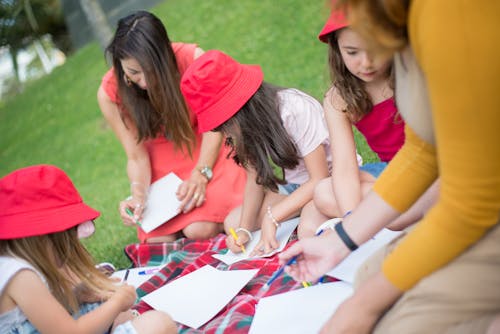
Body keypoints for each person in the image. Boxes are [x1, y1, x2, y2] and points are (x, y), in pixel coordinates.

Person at [280, 1, 500, 333]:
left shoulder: (451, 20)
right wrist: (341, 239)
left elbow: (472, 202)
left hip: (477, 203)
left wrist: (362, 307)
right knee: (368, 274)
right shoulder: (404, 27)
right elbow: (422, 150)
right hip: (463, 197)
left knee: (394, 320)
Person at [97, 11, 246, 243]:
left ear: (164, 54)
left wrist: (201, 173)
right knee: (158, 242)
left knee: (199, 229)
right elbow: (136, 157)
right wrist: (138, 194)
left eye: (151, 71)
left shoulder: (193, 58)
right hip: (161, 165)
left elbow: (216, 125)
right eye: (134, 73)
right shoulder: (109, 93)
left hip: (207, 146)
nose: (144, 82)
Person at [299, 8, 438, 238]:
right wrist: (352, 218)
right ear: (337, 50)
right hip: (392, 170)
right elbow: (344, 169)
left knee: (395, 214)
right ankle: (387, 219)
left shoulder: (413, 73)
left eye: (375, 49)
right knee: (324, 192)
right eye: (352, 52)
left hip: (435, 169)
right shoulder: (338, 99)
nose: (366, 63)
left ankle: (397, 217)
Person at [180, 50, 333, 255]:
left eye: (224, 124)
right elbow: (255, 178)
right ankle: (300, 214)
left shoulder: (294, 110)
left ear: (240, 110)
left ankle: (306, 217)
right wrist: (244, 230)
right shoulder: (247, 127)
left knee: (310, 232)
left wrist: (273, 217)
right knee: (233, 223)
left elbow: (319, 179)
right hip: (297, 190)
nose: (225, 133)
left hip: (328, 184)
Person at [0, 164, 176, 334]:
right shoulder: (20, 276)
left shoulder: (19, 263)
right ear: (43, 238)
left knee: (116, 309)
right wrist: (117, 302)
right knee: (159, 324)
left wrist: (77, 296)